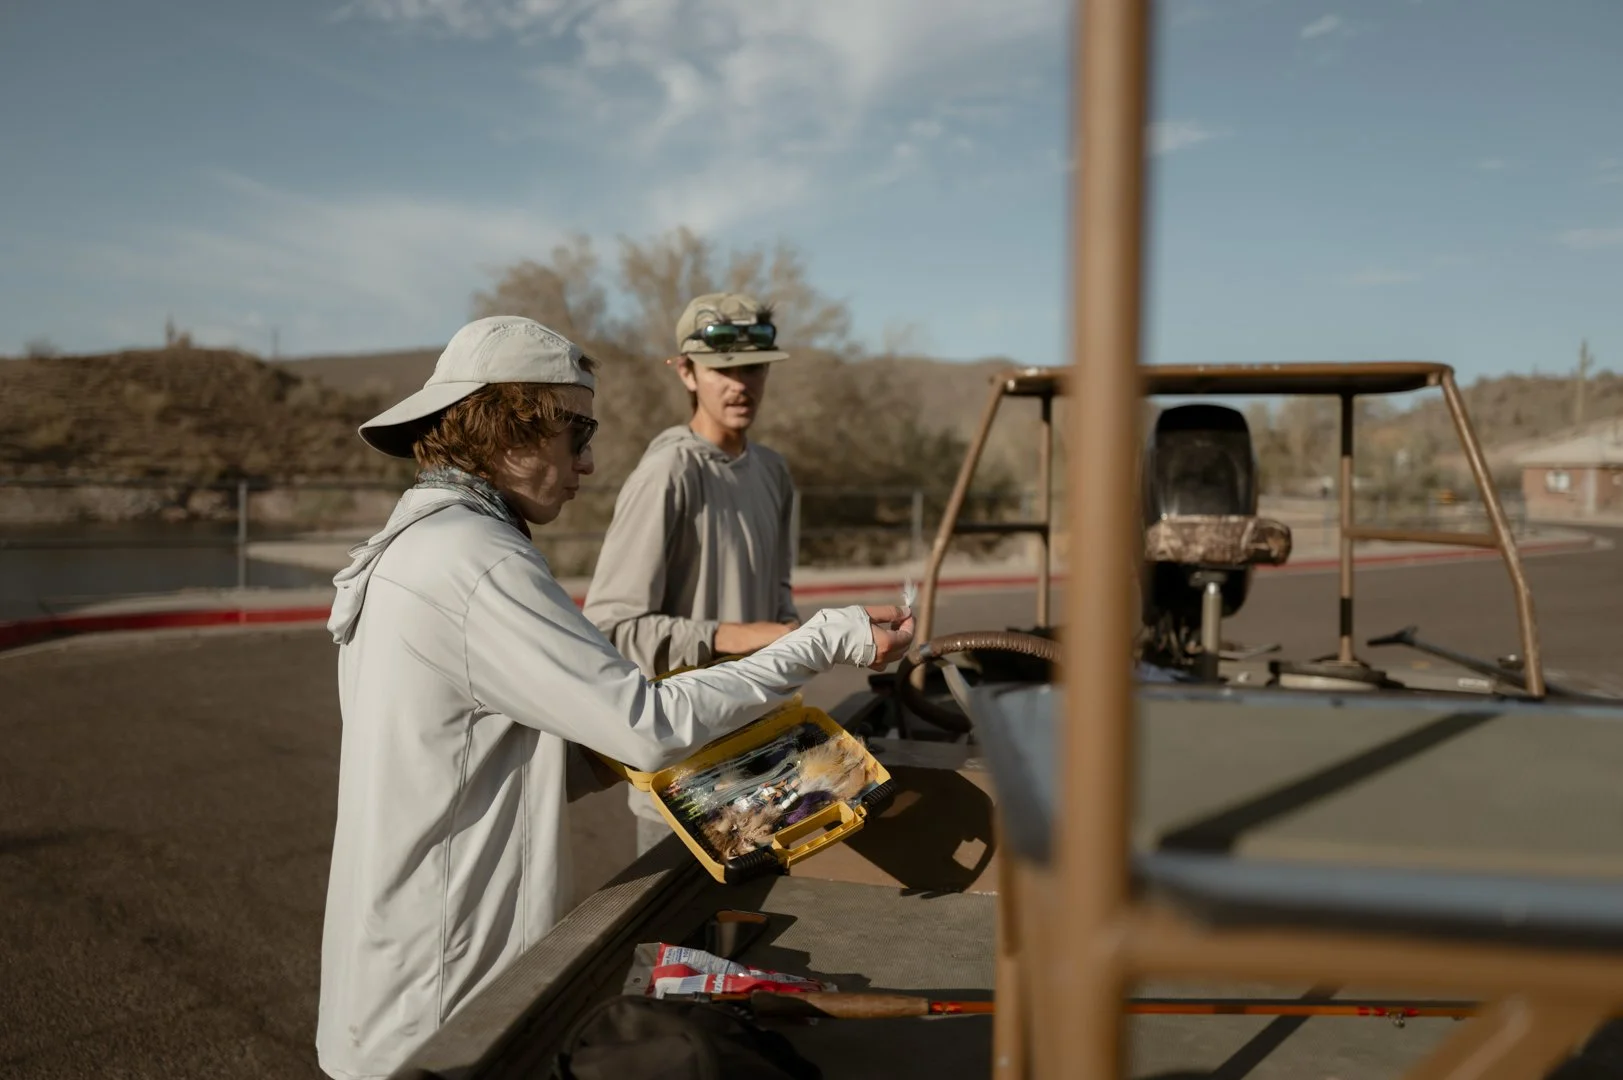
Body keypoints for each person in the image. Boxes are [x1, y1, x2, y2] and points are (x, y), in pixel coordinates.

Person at [315, 314, 913, 1080]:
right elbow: (646, 723)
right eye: (577, 433)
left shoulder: (423, 543)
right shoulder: (476, 560)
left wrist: (657, 754)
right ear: (511, 423)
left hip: (401, 980)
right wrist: (822, 639)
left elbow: (476, 760)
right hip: (442, 1001)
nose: (589, 463)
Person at [582, 292, 802, 857]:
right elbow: (610, 627)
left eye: (752, 368)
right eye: (721, 370)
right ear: (685, 371)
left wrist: (795, 637)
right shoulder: (667, 472)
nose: (739, 384)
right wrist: (734, 637)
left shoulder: (774, 473)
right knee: (669, 943)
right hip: (681, 775)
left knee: (759, 937)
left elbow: (778, 596)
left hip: (763, 763)